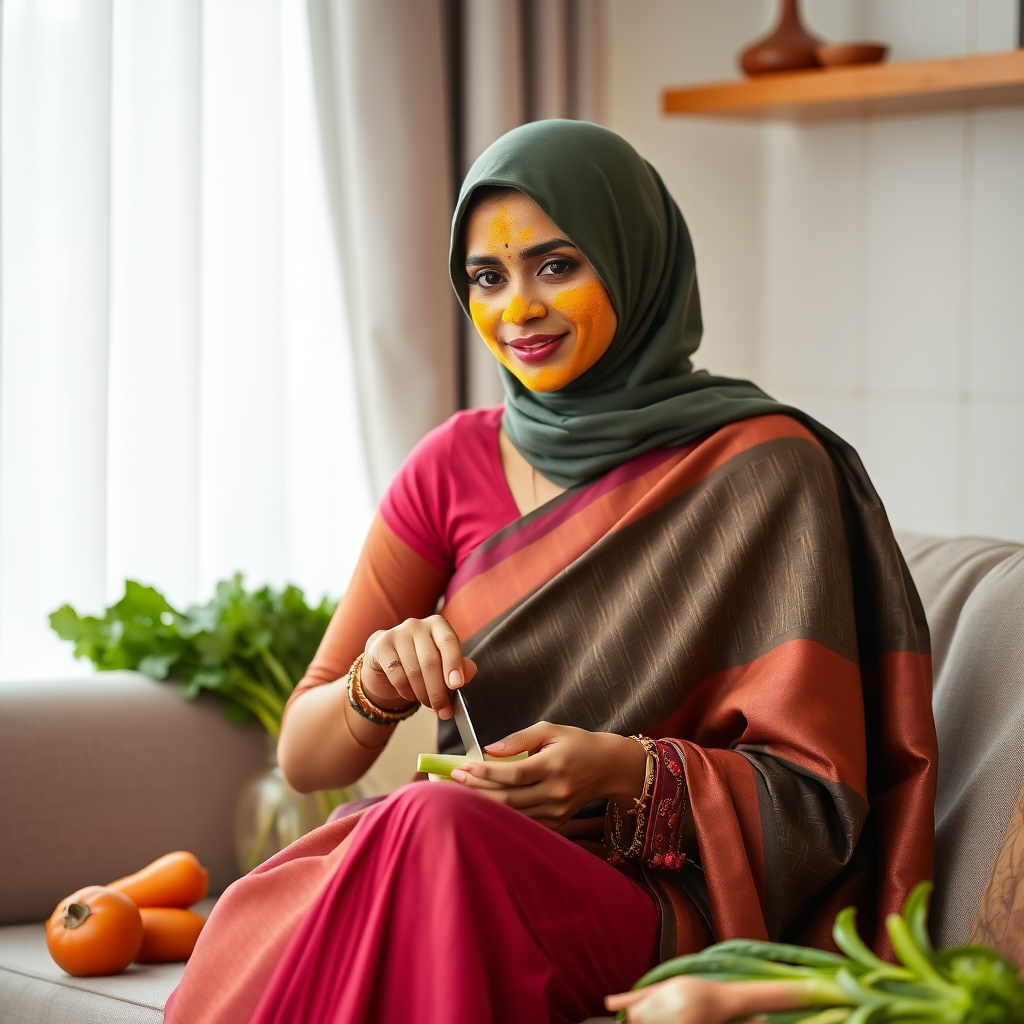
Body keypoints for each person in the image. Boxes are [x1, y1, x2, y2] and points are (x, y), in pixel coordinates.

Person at [164, 120, 937, 1024]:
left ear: (633, 261)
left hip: (649, 896)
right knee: (331, 873)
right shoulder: (449, 464)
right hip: (440, 851)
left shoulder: (767, 471)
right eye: (487, 278)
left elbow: (820, 804)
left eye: (557, 265)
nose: (518, 308)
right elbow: (305, 756)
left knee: (424, 829)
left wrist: (628, 774)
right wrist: (376, 683)